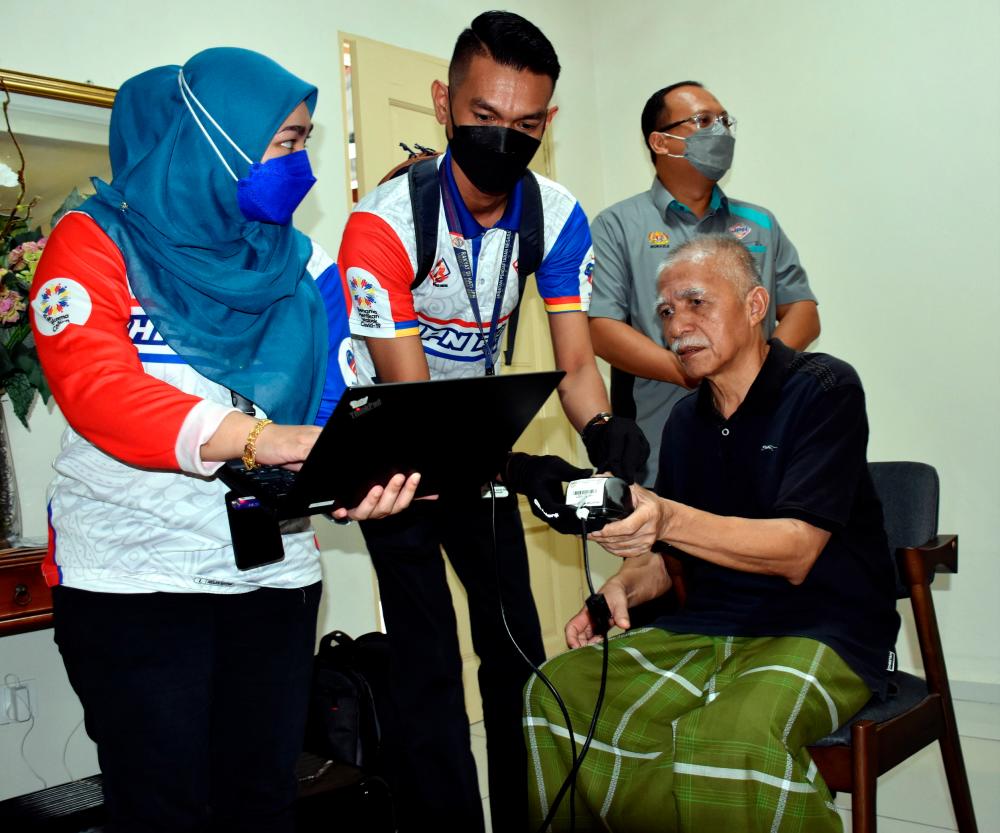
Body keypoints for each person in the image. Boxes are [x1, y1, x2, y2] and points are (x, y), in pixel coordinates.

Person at [30, 48, 419, 833]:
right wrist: (253, 439)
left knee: (263, 805)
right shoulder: (92, 242)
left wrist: (355, 475)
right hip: (133, 581)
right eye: (286, 142)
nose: (302, 164)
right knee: (166, 810)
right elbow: (98, 390)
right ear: (218, 141)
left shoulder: (304, 265)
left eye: (308, 140)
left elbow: (336, 404)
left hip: (270, 581)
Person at [337, 11, 647, 832]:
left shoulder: (555, 213)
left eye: (527, 125)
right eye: (484, 119)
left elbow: (576, 363)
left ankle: (523, 817)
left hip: (475, 435)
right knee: (430, 659)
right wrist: (524, 469)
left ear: (548, 122)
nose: (505, 140)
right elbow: (417, 412)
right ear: (443, 103)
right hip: (396, 448)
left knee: (516, 648)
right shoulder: (382, 227)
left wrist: (603, 431)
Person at [525, 234, 900, 832]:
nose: (678, 326)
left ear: (755, 306)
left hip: (826, 631)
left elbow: (797, 551)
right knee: (557, 691)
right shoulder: (684, 421)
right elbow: (671, 556)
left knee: (727, 735)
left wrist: (667, 517)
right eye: (667, 312)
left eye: (698, 303)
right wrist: (625, 583)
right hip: (707, 625)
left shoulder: (823, 388)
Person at [589, 81, 820, 486]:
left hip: (764, 436)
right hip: (663, 440)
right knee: (665, 545)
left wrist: (763, 372)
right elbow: (602, 330)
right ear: (661, 142)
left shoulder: (760, 223)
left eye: (725, 120)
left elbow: (802, 309)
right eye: (704, 121)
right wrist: (684, 369)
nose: (721, 131)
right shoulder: (618, 225)